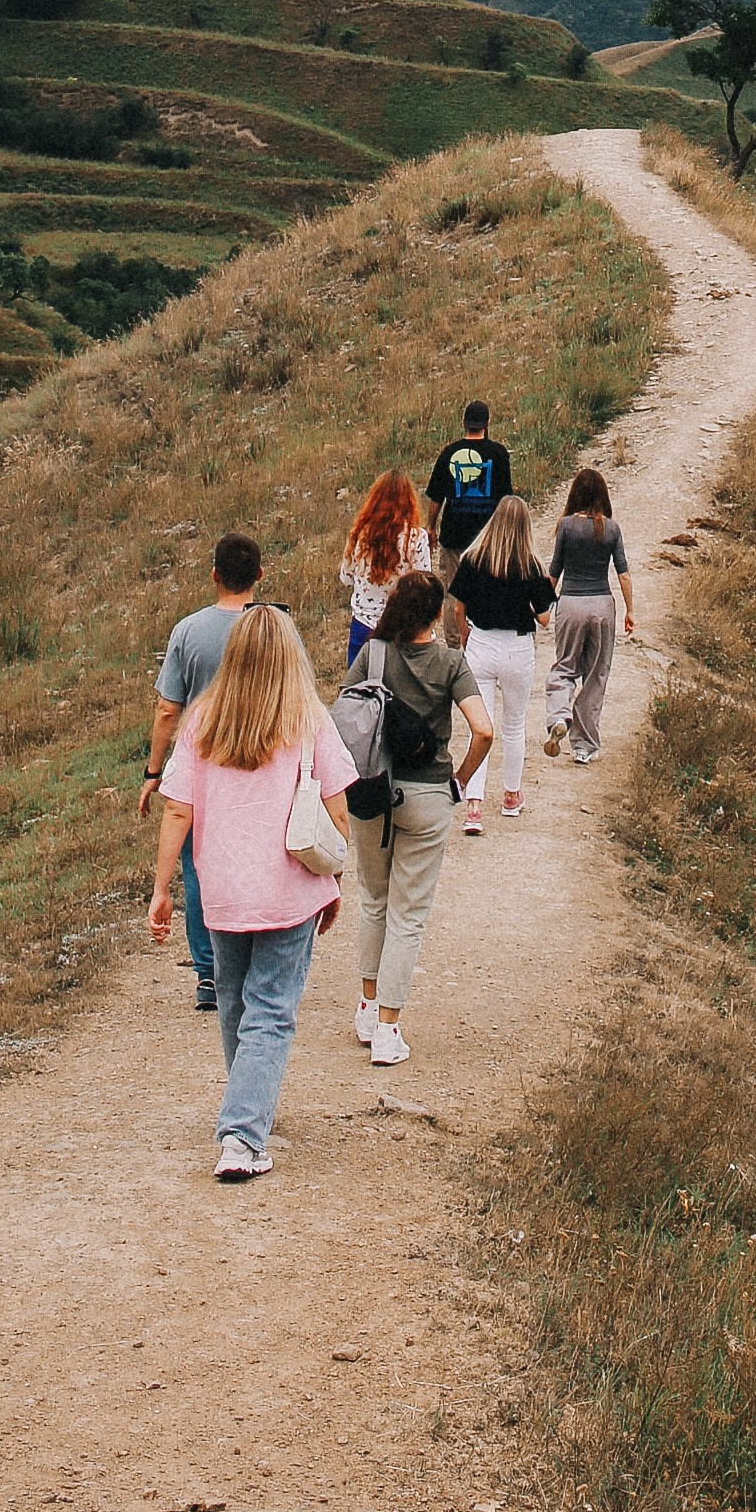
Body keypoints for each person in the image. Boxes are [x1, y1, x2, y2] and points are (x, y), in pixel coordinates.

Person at [148, 603, 353, 1180]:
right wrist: (332, 880)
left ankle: (250, 1107)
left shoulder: (204, 719)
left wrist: (163, 888)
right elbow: (336, 808)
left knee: (236, 1004)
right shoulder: (308, 717)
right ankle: (242, 1133)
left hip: (222, 889)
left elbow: (176, 810)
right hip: (289, 888)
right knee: (272, 1010)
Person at [350, 571, 493, 1064]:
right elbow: (484, 730)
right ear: (436, 614)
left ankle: (367, 1008)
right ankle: (389, 1032)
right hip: (429, 795)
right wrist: (459, 782)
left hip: (373, 792)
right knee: (407, 915)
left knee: (373, 899)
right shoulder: (452, 663)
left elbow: (346, 713)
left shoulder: (372, 654)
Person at [138, 531, 264, 1010]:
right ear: (260, 575)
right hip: (258, 758)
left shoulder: (188, 631)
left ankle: (209, 973)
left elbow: (168, 709)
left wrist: (154, 772)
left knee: (196, 866)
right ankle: (252, 959)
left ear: (214, 575)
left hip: (203, 764)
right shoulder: (272, 628)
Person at [447, 492, 555, 830]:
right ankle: (510, 795)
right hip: (517, 648)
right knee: (514, 725)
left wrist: (465, 636)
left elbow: (457, 608)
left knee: (481, 726)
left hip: (481, 643)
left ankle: (474, 805)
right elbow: (545, 618)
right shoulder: (532, 566)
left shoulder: (474, 559)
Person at [543, 466, 633, 766]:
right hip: (602, 606)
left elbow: (554, 571)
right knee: (596, 675)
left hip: (571, 603)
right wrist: (630, 610)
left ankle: (559, 714)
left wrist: (540, 605)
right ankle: (584, 746)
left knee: (565, 666)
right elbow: (623, 574)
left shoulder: (566, 526)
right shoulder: (612, 528)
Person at [426, 401, 513, 622]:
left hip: (454, 536)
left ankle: (456, 647)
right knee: (488, 589)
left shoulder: (449, 453)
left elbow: (436, 497)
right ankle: (484, 635)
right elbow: (506, 499)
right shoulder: (499, 454)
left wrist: (430, 526)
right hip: (488, 538)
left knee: (454, 593)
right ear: (488, 423)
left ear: (463, 422)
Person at [339, 470, 434, 668]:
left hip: (364, 625)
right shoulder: (417, 538)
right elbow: (425, 586)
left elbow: (346, 578)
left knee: (359, 691)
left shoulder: (359, 535)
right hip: (403, 628)